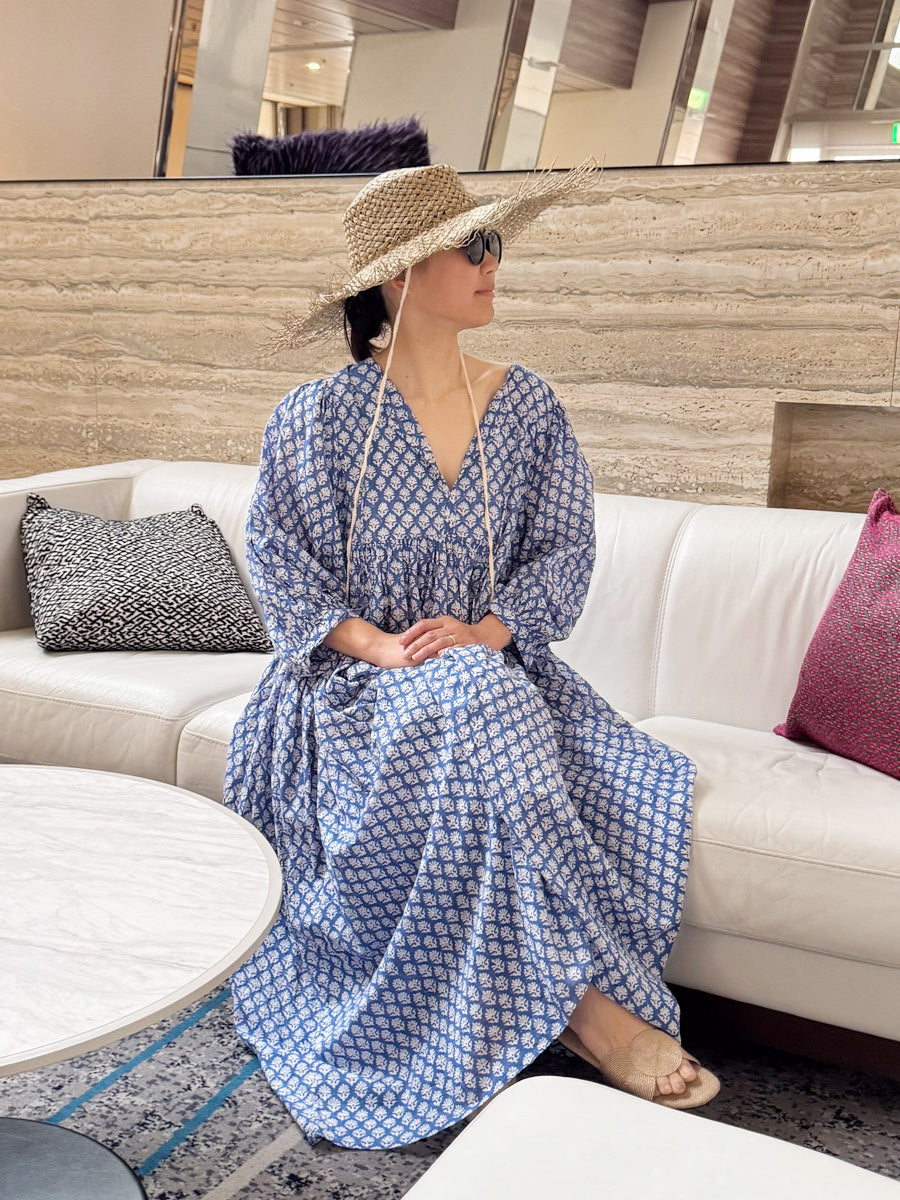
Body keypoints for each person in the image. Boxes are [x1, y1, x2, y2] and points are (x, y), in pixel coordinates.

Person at [223, 159, 720, 1151]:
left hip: (496, 674)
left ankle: (557, 996)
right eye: (474, 247)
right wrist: (381, 646)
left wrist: (486, 633)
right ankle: (586, 1006)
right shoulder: (316, 418)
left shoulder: (527, 407)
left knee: (487, 706)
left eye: (494, 243)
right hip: (353, 687)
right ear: (400, 276)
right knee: (470, 709)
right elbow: (281, 562)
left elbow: (564, 550)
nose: (496, 263)